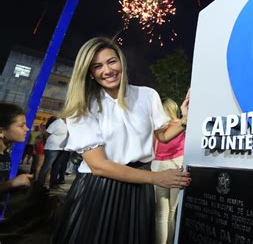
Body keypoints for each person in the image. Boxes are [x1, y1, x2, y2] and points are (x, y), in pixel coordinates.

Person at [52, 37, 190, 244]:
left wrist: (185, 119)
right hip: (99, 189)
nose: (107, 70)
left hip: (139, 189)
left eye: (111, 61)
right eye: (97, 66)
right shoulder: (82, 105)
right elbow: (98, 166)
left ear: (121, 61)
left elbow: (162, 136)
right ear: (89, 72)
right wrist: (157, 178)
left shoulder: (147, 95)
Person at [152, 97, 187, 244]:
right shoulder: (180, 126)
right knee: (173, 212)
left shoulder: (156, 129)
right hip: (176, 165)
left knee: (161, 214)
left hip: (157, 166)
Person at [0, 103, 33, 214]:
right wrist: (12, 183)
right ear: (1, 131)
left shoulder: (4, 152)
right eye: (21, 125)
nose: (27, 129)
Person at [37, 116, 68, 189]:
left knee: (56, 167)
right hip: (52, 148)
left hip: (62, 148)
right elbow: (47, 133)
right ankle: (39, 184)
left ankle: (53, 184)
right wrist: (47, 141)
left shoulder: (69, 124)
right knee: (47, 166)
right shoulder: (58, 122)